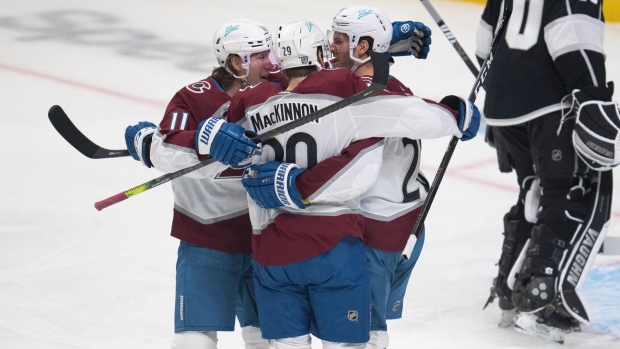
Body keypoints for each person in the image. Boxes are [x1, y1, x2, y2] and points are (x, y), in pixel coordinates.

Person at [210, 17, 479, 348]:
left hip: (328, 236)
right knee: (359, 333)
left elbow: (252, 105)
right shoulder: (353, 88)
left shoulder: (258, 101)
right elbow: (419, 120)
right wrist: (453, 114)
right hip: (380, 229)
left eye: (340, 40)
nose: (334, 49)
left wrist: (209, 136)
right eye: (330, 42)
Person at [123, 19, 279, 349]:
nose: (273, 62)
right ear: (238, 63)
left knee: (268, 338)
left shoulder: (281, 90)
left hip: (265, 236)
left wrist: (382, 47)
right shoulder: (195, 98)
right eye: (263, 56)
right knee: (197, 338)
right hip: (208, 237)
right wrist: (203, 140)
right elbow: (167, 147)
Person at [476, 0, 615, 343]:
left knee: (531, 191)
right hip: (552, 107)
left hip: (502, 108)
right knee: (568, 192)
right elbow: (572, 40)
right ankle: (543, 298)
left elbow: (483, 44)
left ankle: (509, 284)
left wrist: (500, 88)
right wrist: (593, 99)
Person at [327, 6, 435, 349]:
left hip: (377, 222)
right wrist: (387, 46)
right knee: (368, 326)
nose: (331, 47)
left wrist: (389, 43)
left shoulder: (354, 91)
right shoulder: (393, 84)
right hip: (405, 219)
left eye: (340, 40)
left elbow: (302, 79)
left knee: (363, 333)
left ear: (362, 48)